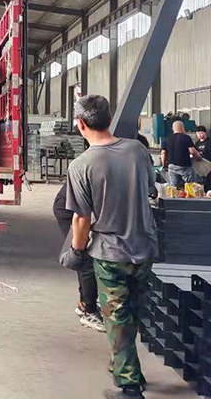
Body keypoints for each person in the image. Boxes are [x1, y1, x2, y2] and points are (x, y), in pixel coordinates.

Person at [63, 94, 158, 399]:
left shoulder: (82, 165)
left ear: (80, 124)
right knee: (133, 311)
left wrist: (77, 251)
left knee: (116, 318)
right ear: (108, 119)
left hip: (111, 254)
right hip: (144, 247)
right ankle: (124, 365)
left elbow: (81, 218)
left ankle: (130, 387)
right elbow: (151, 188)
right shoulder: (137, 150)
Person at [52, 184, 105, 333]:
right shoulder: (92, 170)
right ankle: (89, 311)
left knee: (86, 256)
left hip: (79, 208)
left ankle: (85, 303)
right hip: (71, 211)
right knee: (85, 259)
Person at [161, 120, 201, 187]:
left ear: (173, 129)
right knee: (191, 187)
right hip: (185, 167)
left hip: (172, 167)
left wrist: (164, 164)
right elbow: (193, 151)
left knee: (174, 188)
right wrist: (199, 158)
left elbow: (163, 153)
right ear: (183, 128)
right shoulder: (186, 138)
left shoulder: (167, 139)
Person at [195, 125, 211, 191]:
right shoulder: (197, 143)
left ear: (205, 133)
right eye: (198, 133)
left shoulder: (210, 141)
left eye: (201, 133)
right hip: (201, 166)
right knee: (203, 183)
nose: (199, 135)